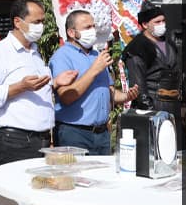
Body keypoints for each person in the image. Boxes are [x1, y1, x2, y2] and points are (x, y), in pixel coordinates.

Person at [0, 0, 77, 205]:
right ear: (18, 22)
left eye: (43, 21)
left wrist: (54, 82)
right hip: (13, 140)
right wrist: (19, 87)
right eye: (36, 21)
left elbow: (37, 94)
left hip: (40, 140)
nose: (41, 26)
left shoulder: (35, 52)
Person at [49, 10, 138, 155]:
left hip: (102, 134)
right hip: (74, 134)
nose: (93, 31)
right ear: (72, 33)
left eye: (93, 26)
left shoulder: (96, 55)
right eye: (87, 27)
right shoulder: (62, 56)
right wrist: (94, 70)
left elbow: (108, 92)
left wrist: (126, 96)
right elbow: (66, 97)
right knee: (76, 177)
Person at [122, 0, 183, 149]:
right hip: (153, 104)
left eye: (163, 21)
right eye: (157, 21)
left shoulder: (170, 44)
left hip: (173, 105)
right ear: (145, 24)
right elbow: (139, 85)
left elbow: (178, 74)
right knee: (155, 148)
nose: (162, 24)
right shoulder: (137, 48)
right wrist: (150, 113)